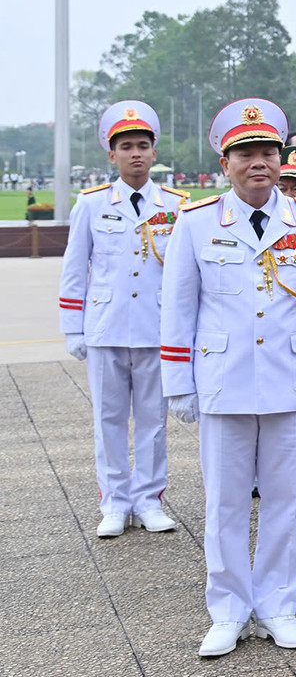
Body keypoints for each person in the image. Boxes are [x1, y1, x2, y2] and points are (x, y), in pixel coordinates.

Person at [161, 98, 296, 657]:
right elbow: (178, 308)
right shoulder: (195, 223)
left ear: (281, 156)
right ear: (225, 163)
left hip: (290, 378)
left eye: (267, 151)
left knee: (287, 501)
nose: (257, 162)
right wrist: (178, 382)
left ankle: (279, 606)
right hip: (224, 381)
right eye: (245, 153)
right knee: (225, 503)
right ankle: (229, 609)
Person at [60, 100, 186, 539]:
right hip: (106, 327)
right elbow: (76, 269)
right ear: (111, 155)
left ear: (155, 153)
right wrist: (72, 326)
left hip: (155, 329)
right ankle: (114, 501)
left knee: (153, 420)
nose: (136, 154)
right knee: (109, 419)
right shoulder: (92, 204)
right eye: (126, 147)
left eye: (143, 146)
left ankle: (149, 499)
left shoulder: (176, 205)